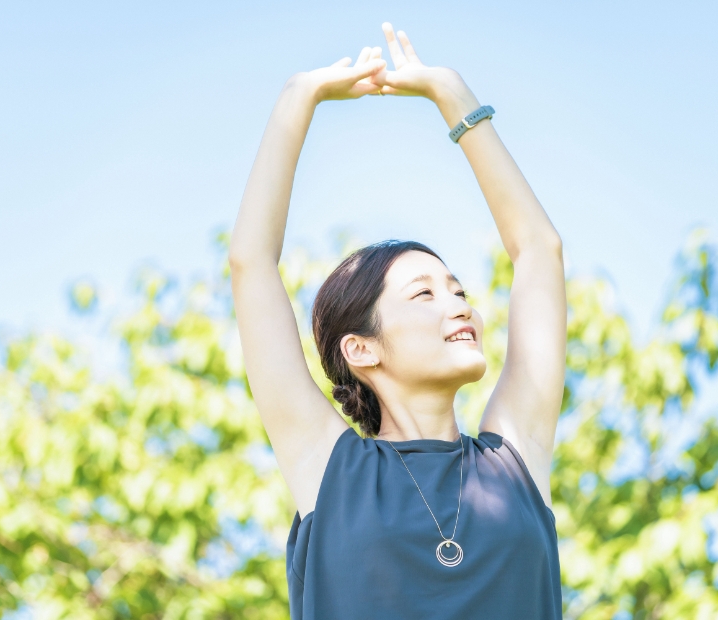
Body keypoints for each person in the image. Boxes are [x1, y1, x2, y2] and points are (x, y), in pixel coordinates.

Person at [229, 21, 566, 620]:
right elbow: (251, 262)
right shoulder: (329, 468)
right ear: (361, 349)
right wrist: (297, 97)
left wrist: (454, 97)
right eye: (424, 295)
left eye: (458, 290)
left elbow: (539, 250)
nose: (459, 304)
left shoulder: (515, 459)